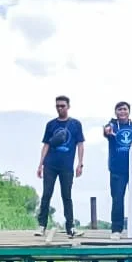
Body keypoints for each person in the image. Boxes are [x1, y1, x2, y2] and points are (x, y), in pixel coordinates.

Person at [35, 95, 85, 238]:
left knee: (66, 196)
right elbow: (46, 145)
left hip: (66, 166)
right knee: (46, 194)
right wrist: (40, 164)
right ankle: (42, 225)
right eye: (57, 106)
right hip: (50, 164)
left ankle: (70, 227)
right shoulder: (51, 125)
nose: (60, 108)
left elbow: (80, 144)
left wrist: (80, 164)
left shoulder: (76, 124)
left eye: (62, 106)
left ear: (68, 106)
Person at [103, 101, 132, 239]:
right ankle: (116, 229)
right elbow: (106, 131)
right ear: (115, 112)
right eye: (119, 109)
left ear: (129, 111)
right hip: (117, 170)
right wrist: (107, 132)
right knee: (117, 199)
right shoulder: (111, 125)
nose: (122, 112)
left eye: (125, 109)